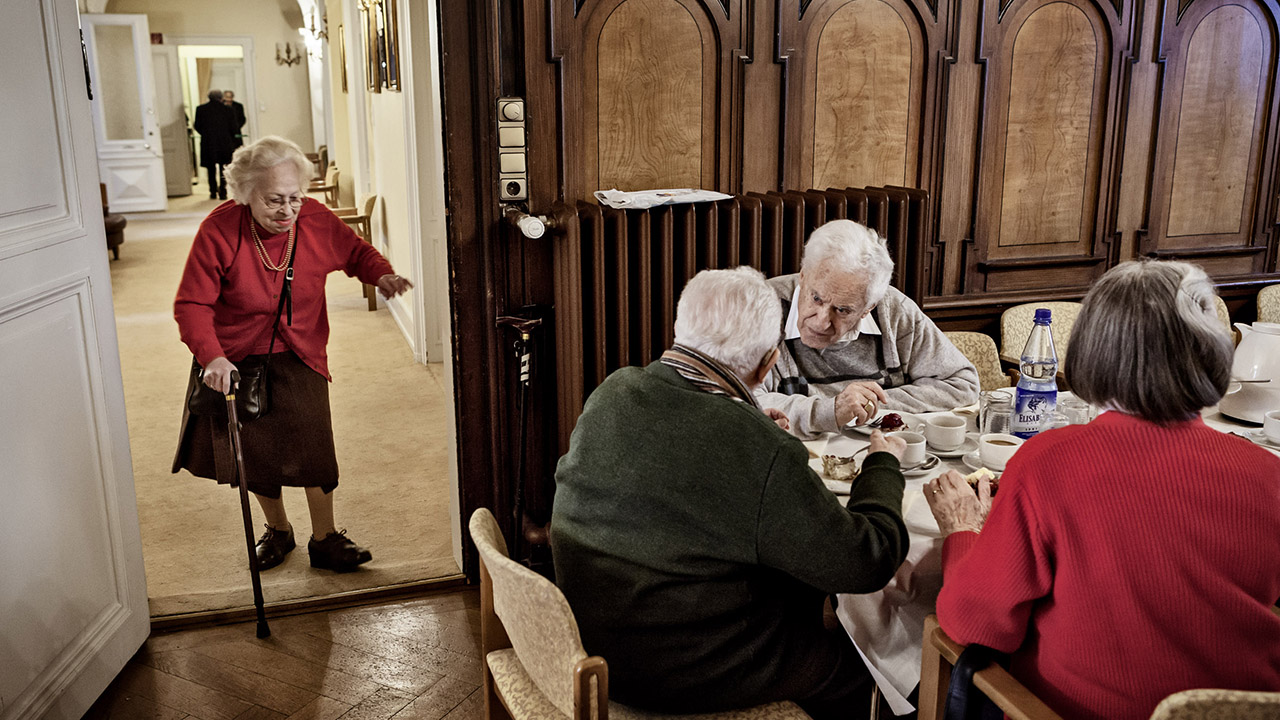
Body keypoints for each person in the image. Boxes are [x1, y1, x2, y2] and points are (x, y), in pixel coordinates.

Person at [924, 260, 1280, 720]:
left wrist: (962, 531)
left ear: (1093, 351)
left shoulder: (1049, 461)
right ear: (1212, 353)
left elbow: (978, 624)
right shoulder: (1267, 473)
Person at [551, 266, 910, 719]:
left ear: (682, 328)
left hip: (591, 633)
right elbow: (866, 561)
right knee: (873, 678)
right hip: (678, 670)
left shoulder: (614, 390)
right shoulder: (758, 448)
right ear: (767, 363)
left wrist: (755, 434)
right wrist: (883, 464)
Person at [172, 136, 414, 573]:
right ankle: (278, 530)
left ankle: (325, 539)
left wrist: (381, 274)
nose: (286, 210)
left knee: (314, 447)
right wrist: (212, 357)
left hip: (300, 348)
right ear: (246, 195)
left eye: (294, 198)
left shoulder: (315, 219)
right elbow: (191, 304)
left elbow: (355, 251)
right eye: (273, 201)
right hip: (237, 356)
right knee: (258, 453)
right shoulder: (220, 229)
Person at [757, 220, 979, 439]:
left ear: (868, 308)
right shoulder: (761, 308)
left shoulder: (894, 311)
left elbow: (962, 383)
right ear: (803, 275)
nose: (822, 321)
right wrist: (829, 410)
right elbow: (740, 400)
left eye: (842, 310)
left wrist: (869, 403)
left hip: (885, 453)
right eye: (816, 298)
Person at [193, 89, 237, 199]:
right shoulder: (228, 110)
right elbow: (234, 128)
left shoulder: (201, 109)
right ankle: (223, 191)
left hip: (208, 142)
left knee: (210, 168)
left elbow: (197, 126)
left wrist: (207, 134)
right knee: (224, 168)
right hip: (224, 143)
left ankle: (212, 191)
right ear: (221, 97)